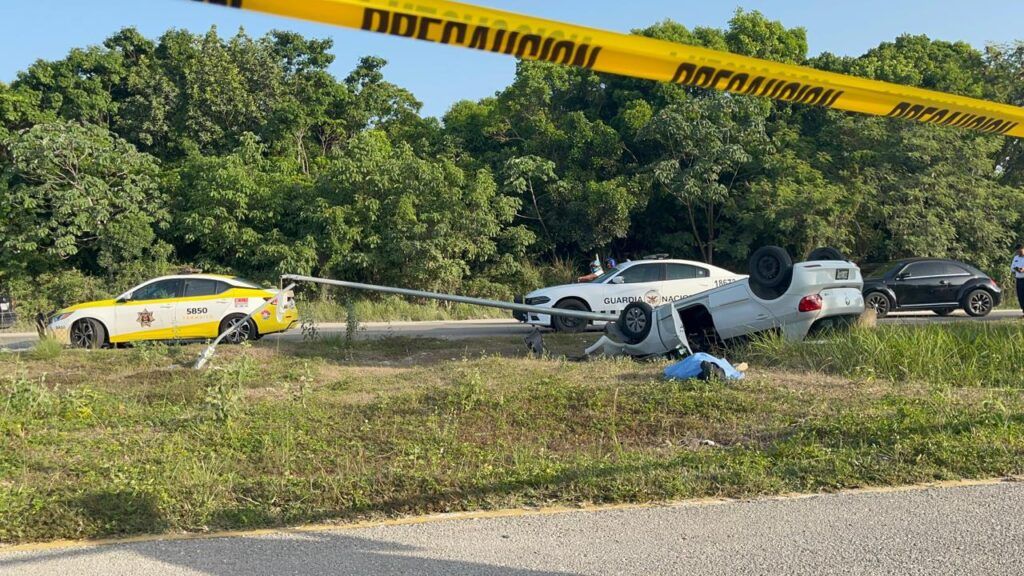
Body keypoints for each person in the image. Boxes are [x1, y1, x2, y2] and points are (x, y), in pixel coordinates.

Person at [1013, 245, 1024, 316]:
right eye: (1017, 251)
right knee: (1020, 296)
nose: (1019, 253)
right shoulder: (1016, 258)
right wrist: (1017, 269)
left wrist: (1023, 269)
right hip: (1019, 279)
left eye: (1020, 251)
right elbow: (1012, 267)